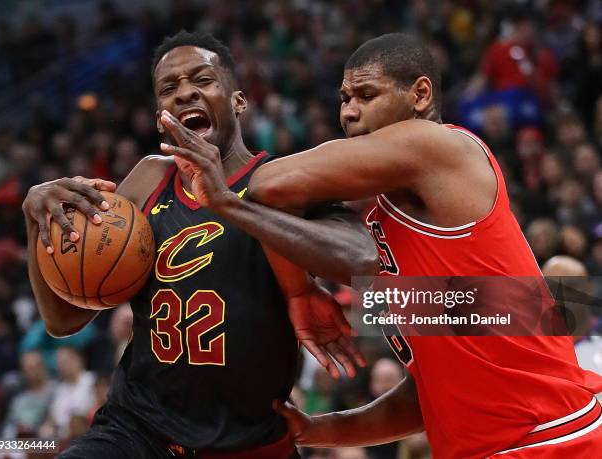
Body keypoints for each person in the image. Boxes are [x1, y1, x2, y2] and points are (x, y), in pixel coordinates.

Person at [242, 33, 602, 458]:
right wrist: (315, 430)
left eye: (365, 94)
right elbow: (428, 391)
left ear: (421, 94)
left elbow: (268, 185)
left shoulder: (439, 146)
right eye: (343, 98)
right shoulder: (385, 224)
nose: (348, 112)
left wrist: (297, 287)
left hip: (551, 438)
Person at [22, 31, 377, 458]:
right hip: (136, 430)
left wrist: (233, 206)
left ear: (238, 101)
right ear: (160, 118)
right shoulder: (150, 178)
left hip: (248, 443)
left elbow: (366, 259)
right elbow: (62, 322)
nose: (185, 92)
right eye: (168, 89)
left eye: (202, 80)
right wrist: (36, 224)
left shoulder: (282, 183)